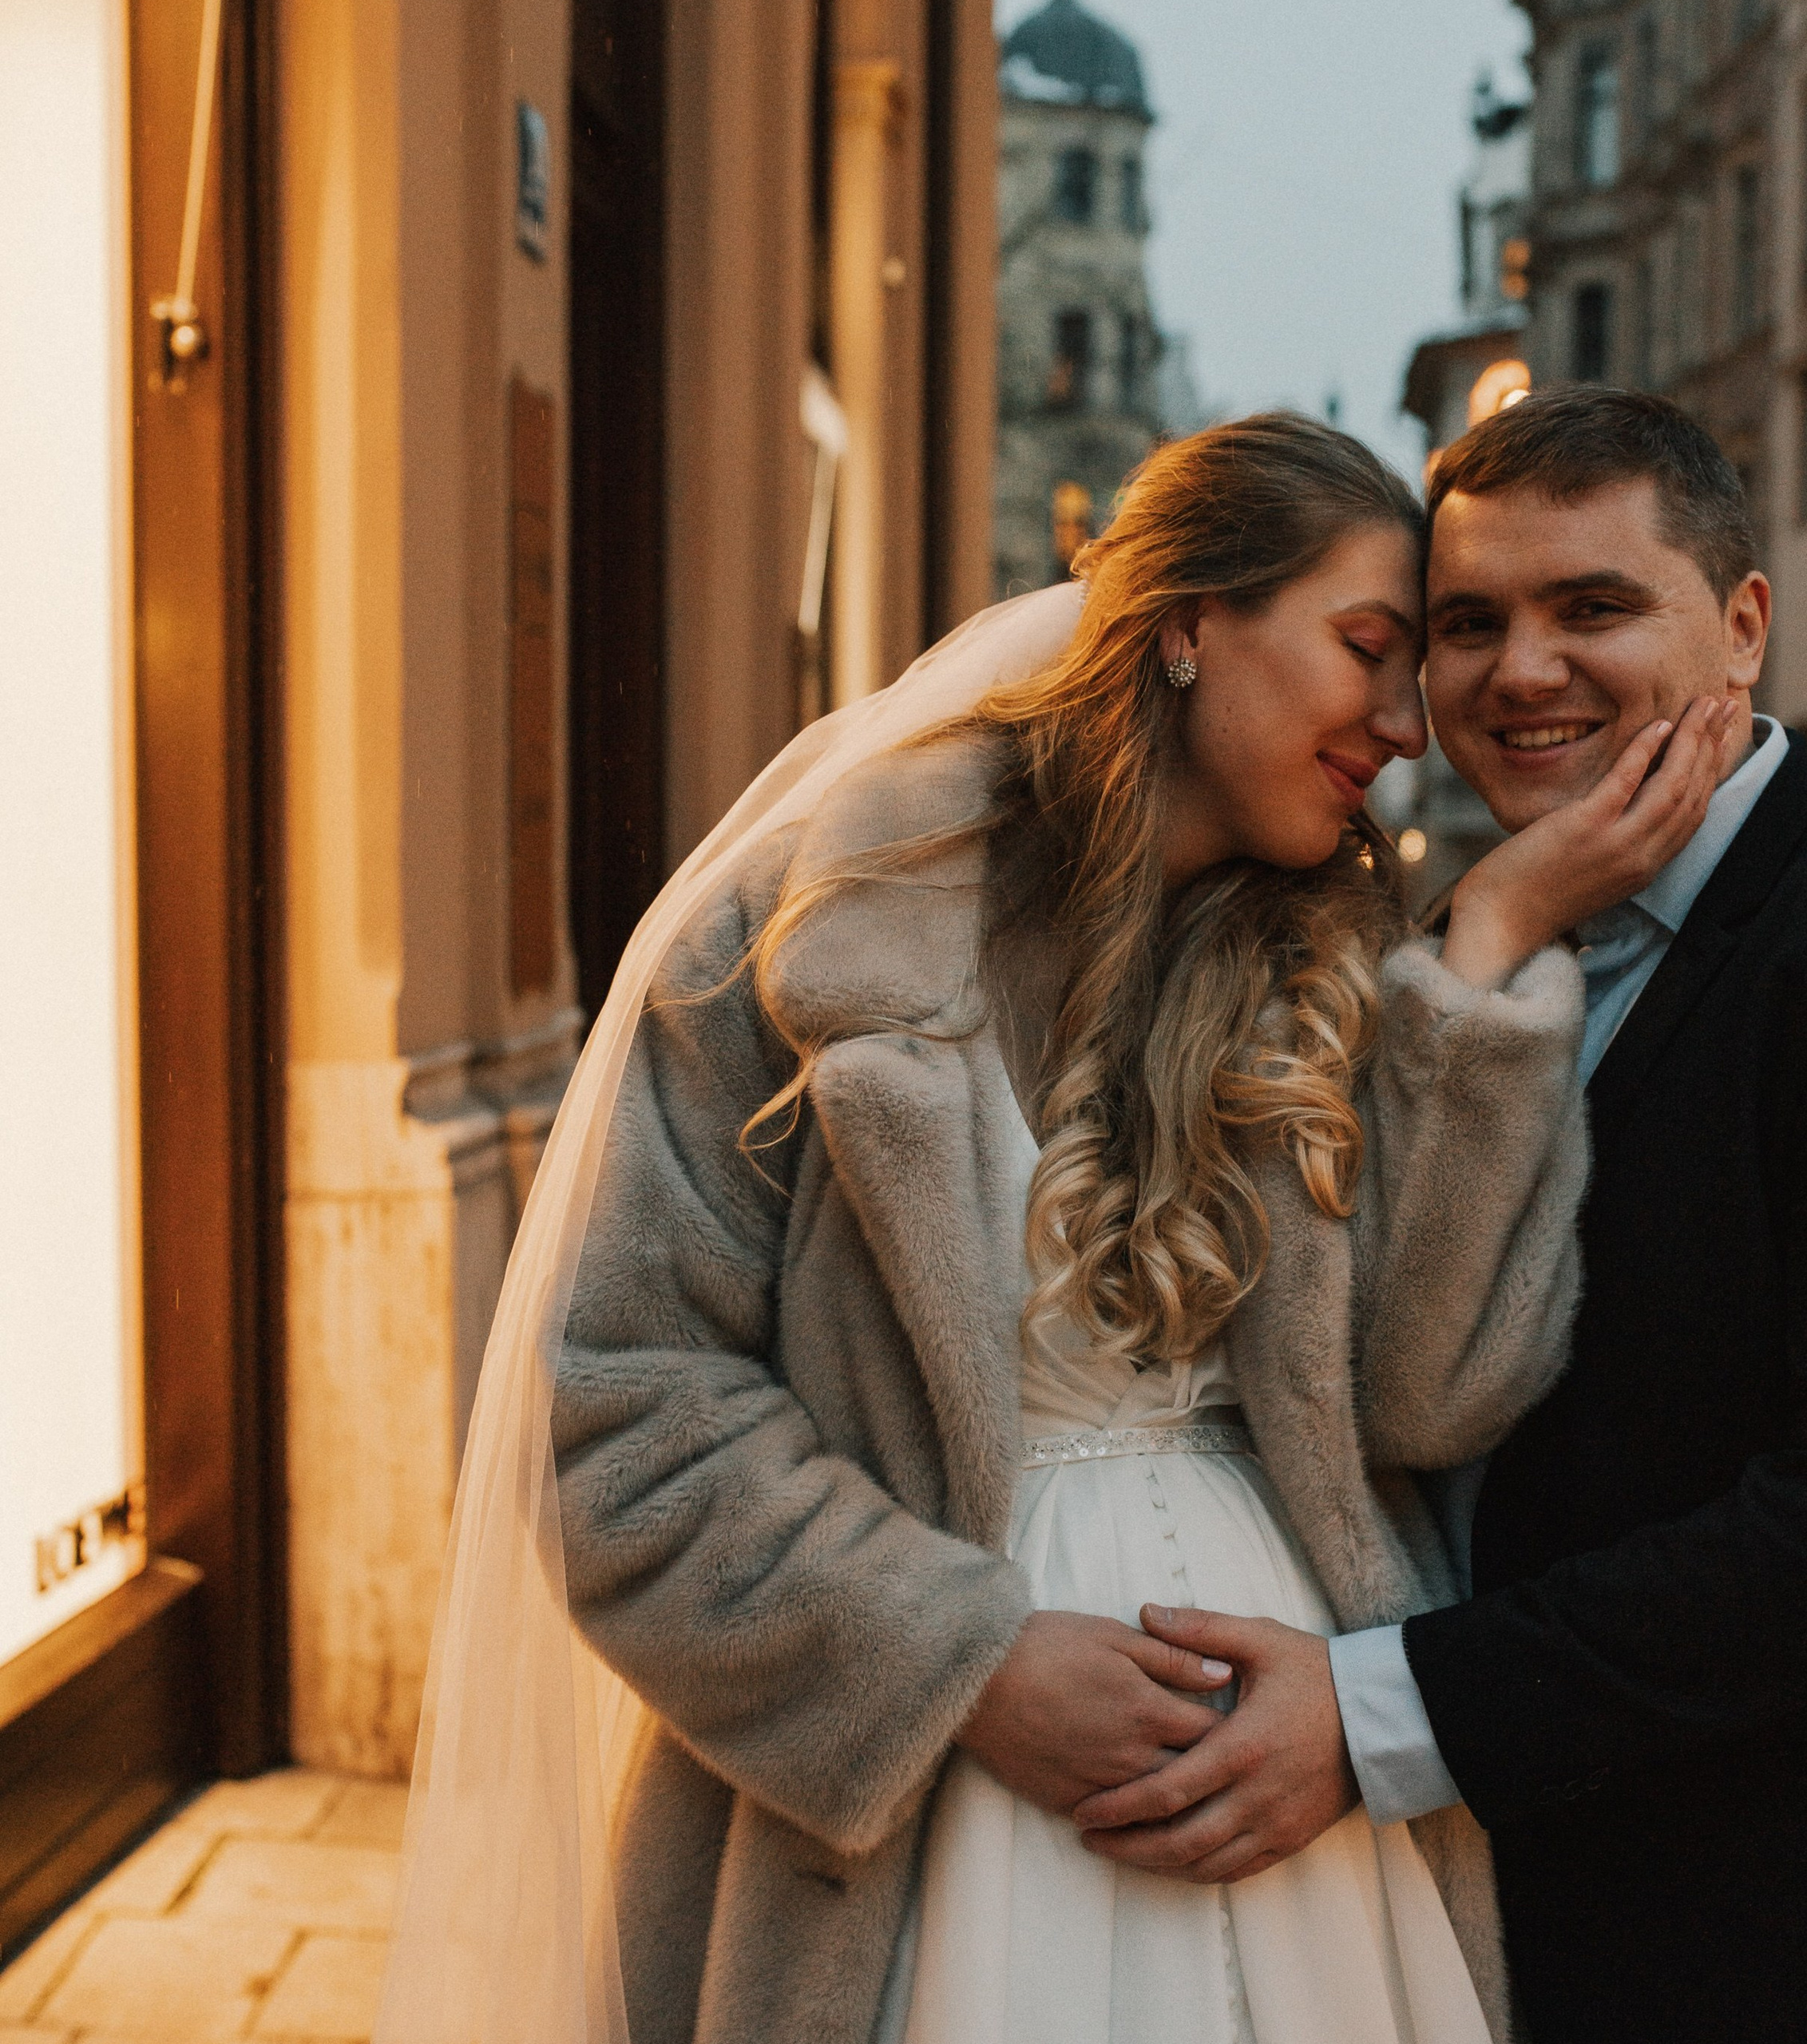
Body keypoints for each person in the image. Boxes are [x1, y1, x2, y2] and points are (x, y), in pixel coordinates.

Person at [462, 412, 1733, 2044]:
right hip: (907, 1809)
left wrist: (1484, 955)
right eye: (1368, 649)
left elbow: (1431, 1398)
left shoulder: (1344, 967)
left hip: (1297, 1808)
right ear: (1189, 625)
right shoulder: (799, 934)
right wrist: (963, 1662)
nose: (1408, 726)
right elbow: (616, 1409)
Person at [1108, 388, 1807, 2042]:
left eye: (1590, 607)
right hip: (1462, 1925)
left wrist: (1378, 1713)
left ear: (1740, 625)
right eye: (1467, 622)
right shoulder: (1455, 928)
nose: (1518, 670)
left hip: (1789, 1947)